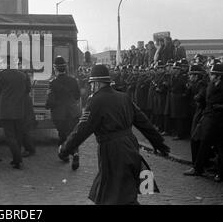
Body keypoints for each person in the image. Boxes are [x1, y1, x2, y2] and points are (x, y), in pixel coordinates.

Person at [59, 64, 170, 205]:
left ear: (97, 83)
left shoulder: (95, 101)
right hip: (130, 146)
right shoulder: (124, 97)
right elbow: (144, 122)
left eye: (92, 84)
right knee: (120, 188)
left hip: (112, 151)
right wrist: (159, 143)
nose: (91, 88)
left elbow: (81, 130)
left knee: (115, 193)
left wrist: (65, 149)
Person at [184, 63, 223, 182]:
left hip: (218, 119)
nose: (210, 76)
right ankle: (199, 167)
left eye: (212, 74)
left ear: (219, 76)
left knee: (218, 147)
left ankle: (210, 171)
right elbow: (203, 97)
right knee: (196, 140)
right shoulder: (210, 85)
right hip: (207, 117)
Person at [0, 56, 31, 169]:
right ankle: (16, 158)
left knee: (10, 136)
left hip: (5, 110)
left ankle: (17, 159)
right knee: (18, 134)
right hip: (19, 109)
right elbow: (28, 90)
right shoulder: (23, 75)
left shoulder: (2, 74)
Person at [45, 56, 81, 170]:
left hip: (59, 114)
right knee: (72, 134)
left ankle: (64, 155)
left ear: (55, 68)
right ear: (65, 68)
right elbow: (77, 96)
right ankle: (75, 153)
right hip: (72, 112)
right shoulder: (73, 80)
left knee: (62, 135)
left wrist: (47, 106)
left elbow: (50, 100)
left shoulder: (53, 83)